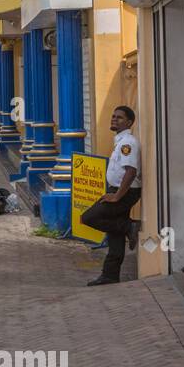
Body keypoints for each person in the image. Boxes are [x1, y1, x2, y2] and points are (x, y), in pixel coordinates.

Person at [80, 106, 142, 286]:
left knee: (88, 217)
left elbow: (131, 172)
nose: (114, 119)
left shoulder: (127, 143)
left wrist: (116, 197)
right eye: (113, 116)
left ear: (129, 122)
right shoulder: (120, 141)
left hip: (124, 193)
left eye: (119, 118)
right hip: (118, 190)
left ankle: (129, 225)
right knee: (114, 236)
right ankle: (110, 275)